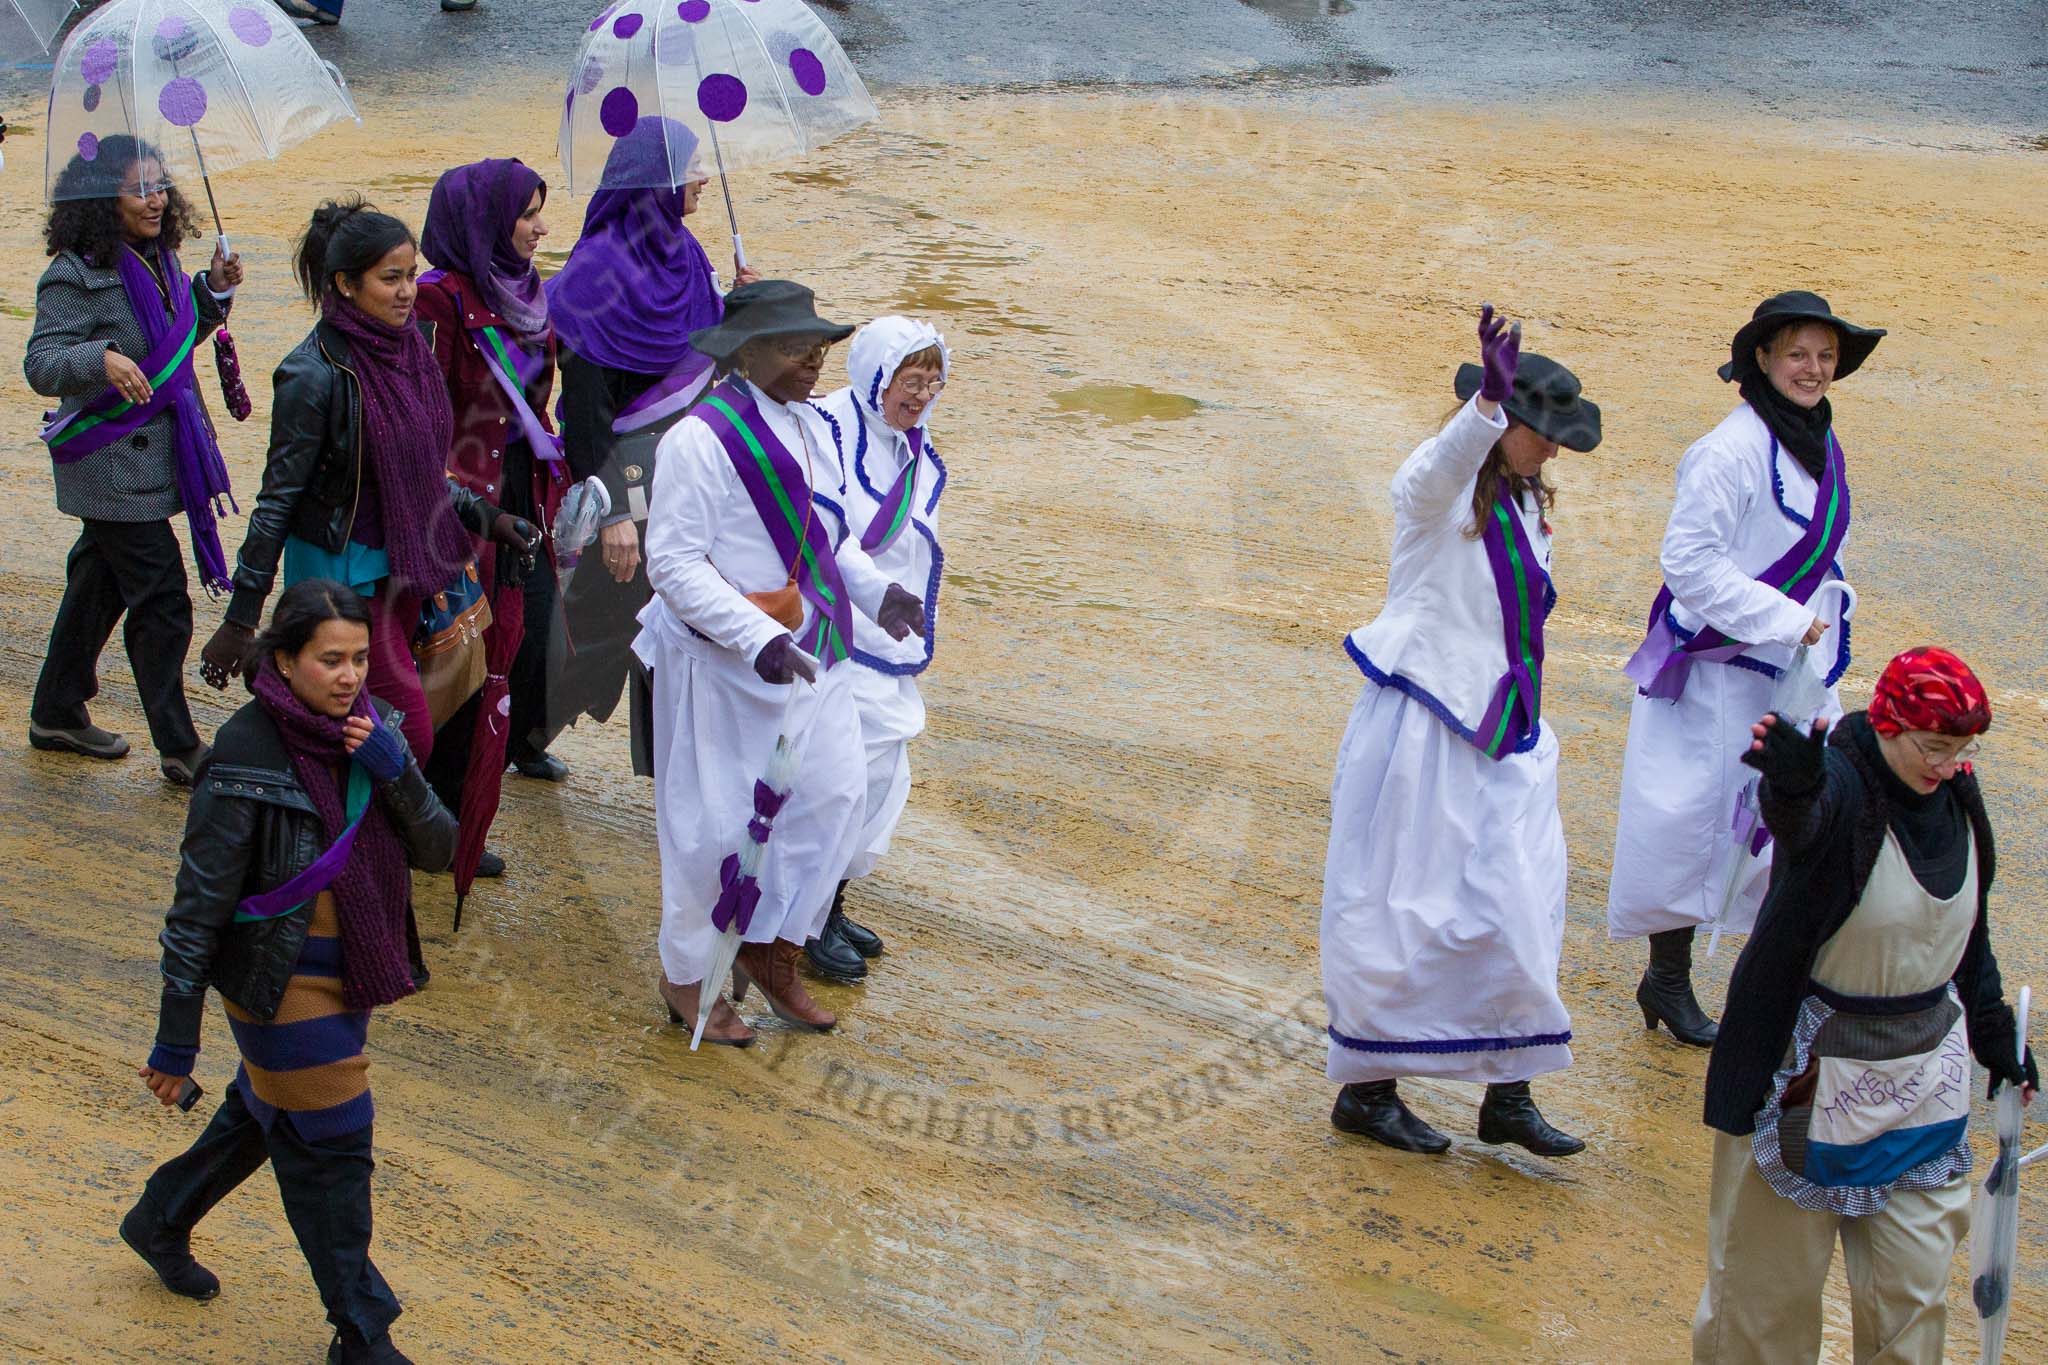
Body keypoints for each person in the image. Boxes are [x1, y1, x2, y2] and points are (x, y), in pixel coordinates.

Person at [124, 578, 457, 1365]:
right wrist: (176, 1042)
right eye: (329, 660)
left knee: (267, 1113)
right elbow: (196, 908)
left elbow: (440, 849)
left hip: (353, 976)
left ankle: (161, 1216)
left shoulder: (372, 733)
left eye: (360, 659)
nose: (349, 677)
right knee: (334, 1145)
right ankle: (361, 1331)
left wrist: (395, 767)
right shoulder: (244, 751)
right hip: (277, 985)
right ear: (283, 658)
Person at [1693, 647, 2031, 1363]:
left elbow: (1968, 934)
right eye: (1934, 747)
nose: (1947, 764)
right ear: (1887, 724)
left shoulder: (1958, 797)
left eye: (1961, 749)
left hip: (1919, 1089)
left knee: (1914, 1304)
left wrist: (1995, 1033)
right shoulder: (1843, 781)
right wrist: (1790, 789)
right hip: (1801, 1083)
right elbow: (1807, 825)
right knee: (1763, 1310)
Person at [1320, 305, 1598, 1157]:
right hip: (1424, 731)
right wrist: (1482, 413)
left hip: (1503, 731)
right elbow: (1426, 480)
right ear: (1500, 419)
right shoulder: (1437, 496)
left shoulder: (1525, 505)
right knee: (1400, 908)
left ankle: (1507, 1092)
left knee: (1521, 904)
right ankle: (1367, 1091)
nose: (1553, 449)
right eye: (1540, 431)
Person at [634, 280, 926, 1046]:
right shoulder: (696, 439)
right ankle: (689, 974)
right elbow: (673, 564)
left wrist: (877, 593)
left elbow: (832, 540)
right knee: (716, 829)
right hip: (725, 664)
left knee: (835, 796)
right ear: (749, 351)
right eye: (799, 347)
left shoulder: (812, 427)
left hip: (811, 650)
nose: (815, 361)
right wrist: (754, 636)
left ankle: (771, 945)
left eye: (821, 347)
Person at [1608, 292, 1882, 1048]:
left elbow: (1816, 549)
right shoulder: (1725, 452)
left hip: (1785, 668)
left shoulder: (1817, 441)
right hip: (1714, 671)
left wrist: (1816, 634)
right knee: (1692, 822)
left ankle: (1773, 987)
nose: (1814, 369)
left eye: (1826, 356)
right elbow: (1689, 564)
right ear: (1762, 358)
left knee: (1783, 824)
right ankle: (1667, 977)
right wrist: (1788, 619)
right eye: (1799, 353)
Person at [198, 198, 535, 766]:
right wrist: (241, 617)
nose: (408, 291)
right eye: (390, 279)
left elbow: (420, 474)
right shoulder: (312, 374)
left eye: (410, 275)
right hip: (342, 577)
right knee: (404, 736)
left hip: (404, 566)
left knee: (367, 725)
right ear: (346, 286)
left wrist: (489, 519)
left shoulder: (412, 353)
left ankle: (358, 835)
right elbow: (276, 503)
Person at [25, 136, 243, 785]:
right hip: (111, 462)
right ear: (101, 199)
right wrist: (100, 360)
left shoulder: (161, 258)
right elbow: (40, 362)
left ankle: (56, 709)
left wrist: (213, 292)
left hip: (158, 455)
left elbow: (174, 343)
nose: (154, 200)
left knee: (99, 582)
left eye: (159, 186)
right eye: (137, 189)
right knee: (163, 598)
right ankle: (179, 743)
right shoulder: (75, 272)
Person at [547, 116, 758, 771]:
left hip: (685, 483)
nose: (701, 178)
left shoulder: (686, 256)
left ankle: (685, 771)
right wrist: (610, 511)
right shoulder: (596, 275)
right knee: (599, 631)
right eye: (688, 167)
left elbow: (699, 366)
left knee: (686, 630)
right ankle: (513, 735)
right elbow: (583, 411)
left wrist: (740, 310)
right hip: (626, 487)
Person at [414, 158, 564, 879]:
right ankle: (437, 819)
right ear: (482, 221)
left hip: (520, 494)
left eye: (542, 209)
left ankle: (467, 802)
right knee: (456, 658)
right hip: (457, 504)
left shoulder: (530, 294)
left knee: (518, 643)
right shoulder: (437, 303)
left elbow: (538, 408)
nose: (541, 225)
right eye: (527, 212)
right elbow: (419, 420)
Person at [808, 317, 950, 982]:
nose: (921, 394)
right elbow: (825, 531)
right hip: (835, 631)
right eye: (909, 380)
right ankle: (802, 924)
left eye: (932, 381)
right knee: (836, 782)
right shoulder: (829, 428)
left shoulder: (912, 446)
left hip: (887, 638)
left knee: (879, 778)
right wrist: (874, 594)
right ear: (873, 376)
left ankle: (828, 905)